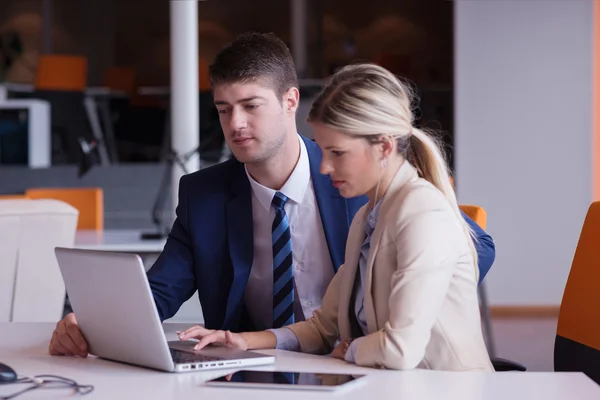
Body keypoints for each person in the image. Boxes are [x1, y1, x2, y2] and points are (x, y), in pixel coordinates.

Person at [48, 32, 495, 359]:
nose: (235, 123)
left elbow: (475, 246)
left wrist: (398, 309)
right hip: (260, 361)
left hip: (363, 358)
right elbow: (161, 290)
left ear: (290, 101)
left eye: (250, 105)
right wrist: (91, 325)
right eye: (224, 110)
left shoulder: (357, 174)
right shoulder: (204, 194)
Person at [178, 63, 494, 371]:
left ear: (383, 147)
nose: (325, 167)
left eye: (337, 153)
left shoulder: (424, 214)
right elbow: (323, 327)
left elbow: (400, 350)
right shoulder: (367, 218)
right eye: (324, 152)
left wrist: (351, 349)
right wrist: (242, 341)